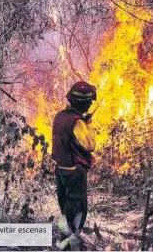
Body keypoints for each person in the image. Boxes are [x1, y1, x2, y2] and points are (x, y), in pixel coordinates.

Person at [51, 81, 97, 247]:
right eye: (89, 101)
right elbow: (90, 145)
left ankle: (67, 244)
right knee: (76, 214)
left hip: (61, 171)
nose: (91, 103)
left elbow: (66, 139)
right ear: (83, 102)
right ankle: (71, 247)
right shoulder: (78, 122)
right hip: (74, 173)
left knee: (66, 211)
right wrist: (87, 126)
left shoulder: (60, 116)